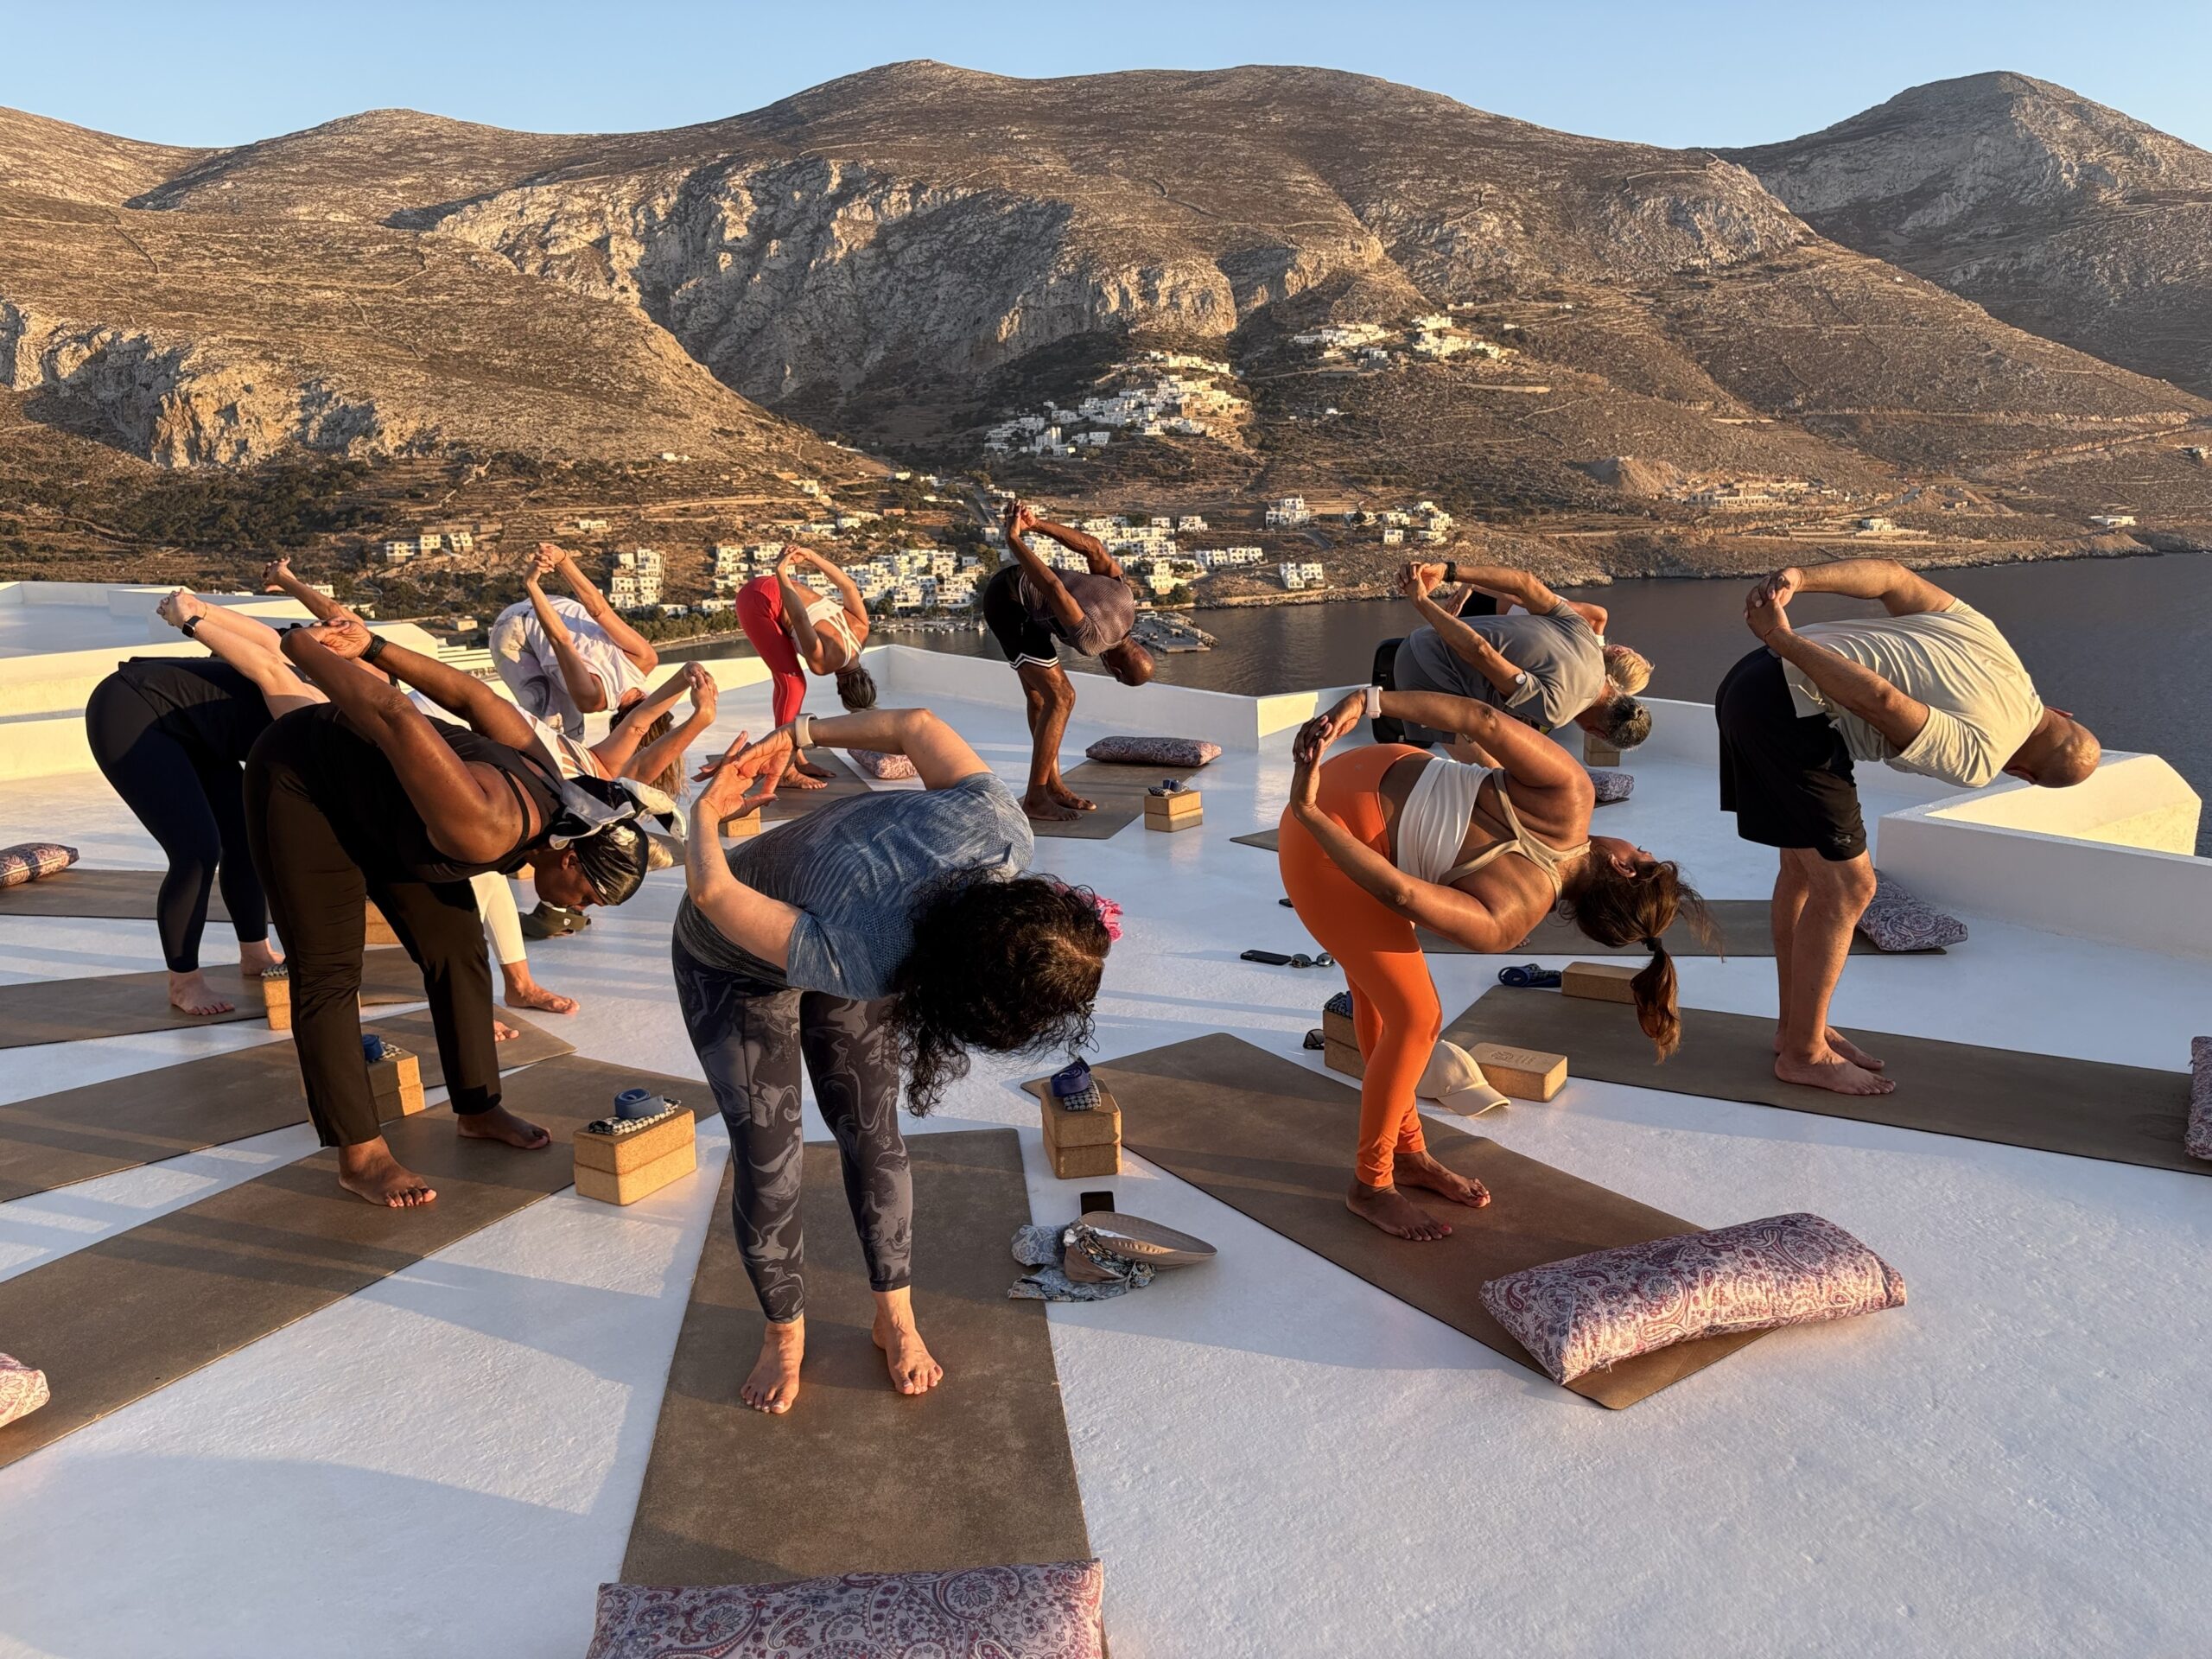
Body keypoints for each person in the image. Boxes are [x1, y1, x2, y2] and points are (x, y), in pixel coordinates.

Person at [673, 704, 1113, 1414]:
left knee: (875, 1139)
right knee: (770, 1161)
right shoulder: (874, 953)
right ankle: (785, 1334)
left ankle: (895, 1318)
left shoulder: (1003, 831)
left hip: (837, 929)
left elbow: (917, 726)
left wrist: (802, 732)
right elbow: (712, 891)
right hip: (730, 958)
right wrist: (704, 812)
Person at [245, 617, 661, 1207]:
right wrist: (301, 649)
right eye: (589, 896)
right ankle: (360, 1156)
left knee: (458, 950)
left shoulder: (559, 791)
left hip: (388, 814)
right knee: (328, 974)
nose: (582, 908)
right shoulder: (486, 826)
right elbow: (395, 713)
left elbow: (472, 698)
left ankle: (479, 1107)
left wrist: (377, 645)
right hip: (304, 782)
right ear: (569, 858)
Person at [1281, 684, 1705, 1241]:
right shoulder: (1509, 925)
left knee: (1393, 1008)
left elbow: (1481, 720)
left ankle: (1405, 1156)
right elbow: (1401, 894)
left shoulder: (1571, 794)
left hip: (1348, 803)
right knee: (1414, 1016)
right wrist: (1311, 814)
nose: (1639, 846)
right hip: (1324, 835)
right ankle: (1373, 1183)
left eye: (1643, 852)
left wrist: (1368, 703)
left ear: (1625, 868)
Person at [1722, 560, 2100, 1097]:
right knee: (1851, 887)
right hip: (1788, 707)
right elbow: (1881, 701)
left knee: (1805, 871)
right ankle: (1804, 1055)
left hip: (1750, 678)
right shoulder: (1983, 755)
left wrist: (1801, 579)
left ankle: (1797, 1029)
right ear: (2023, 774)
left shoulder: (1998, 651)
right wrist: (1782, 638)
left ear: (2060, 712)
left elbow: (1893, 577)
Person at [83, 644, 287, 1017]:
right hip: (132, 709)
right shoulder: (312, 718)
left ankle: (255, 953)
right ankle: (184, 981)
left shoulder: (324, 712)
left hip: (198, 729)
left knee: (246, 837)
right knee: (196, 850)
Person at [981, 500, 1155, 822]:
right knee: (1062, 697)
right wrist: (1014, 539)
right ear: (1115, 670)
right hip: (1007, 603)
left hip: (1028, 603)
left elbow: (1094, 548)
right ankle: (1035, 798)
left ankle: (1053, 787)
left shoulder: (1127, 599)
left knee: (1040, 696)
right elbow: (1054, 589)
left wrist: (1037, 525)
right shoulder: (1093, 640)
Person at [1383, 562, 1649, 760]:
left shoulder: (1589, 641)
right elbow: (1481, 652)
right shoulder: (1558, 710)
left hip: (1429, 643)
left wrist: (1447, 571)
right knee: (1491, 774)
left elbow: (1524, 582)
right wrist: (1420, 601)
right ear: (1597, 733)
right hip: (1419, 666)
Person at [733, 544, 877, 791]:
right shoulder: (824, 664)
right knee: (794, 685)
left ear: (866, 677)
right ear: (840, 689)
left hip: (774, 588)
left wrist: (811, 556)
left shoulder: (862, 631)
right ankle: (785, 770)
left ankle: (795, 757)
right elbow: (799, 618)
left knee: (785, 681)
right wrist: (781, 572)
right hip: (759, 601)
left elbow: (849, 587)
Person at [488, 543, 658, 737]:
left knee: (567, 731)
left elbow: (598, 611)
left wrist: (562, 559)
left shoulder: (646, 659)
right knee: (552, 729)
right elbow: (561, 639)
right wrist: (533, 584)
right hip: (513, 631)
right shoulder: (591, 699)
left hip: (553, 606)